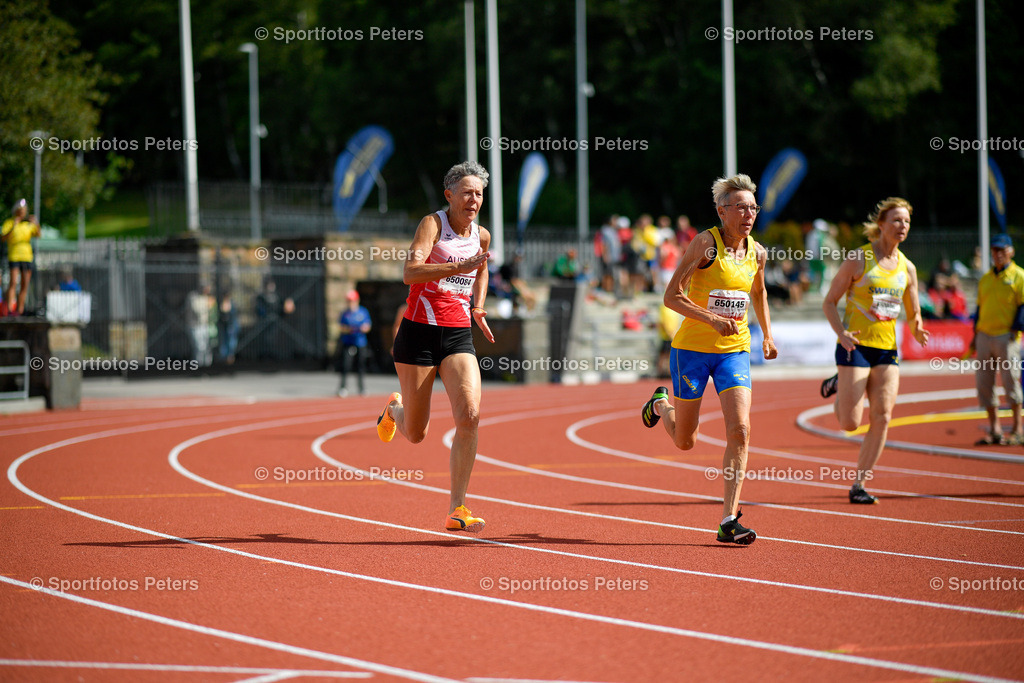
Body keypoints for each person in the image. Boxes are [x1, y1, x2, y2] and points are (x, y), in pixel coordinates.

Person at [640, 174, 777, 545]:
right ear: (722, 211)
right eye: (741, 207)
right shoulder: (706, 244)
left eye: (753, 207)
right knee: (686, 440)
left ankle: (728, 519)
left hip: (734, 351)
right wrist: (713, 319)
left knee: (741, 430)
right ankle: (661, 404)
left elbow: (759, 292)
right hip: (692, 352)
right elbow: (672, 296)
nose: (748, 214)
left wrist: (767, 335)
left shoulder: (758, 252)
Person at [376, 161, 495, 533]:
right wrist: (456, 266)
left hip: (457, 334)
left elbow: (483, 268)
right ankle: (394, 410)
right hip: (419, 333)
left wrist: (477, 305)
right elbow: (410, 272)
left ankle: (456, 508)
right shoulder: (433, 225)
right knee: (417, 432)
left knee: (470, 415)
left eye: (479, 193)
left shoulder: (483, 235)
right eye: (467, 192)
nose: (473, 199)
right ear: (449, 195)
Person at [819, 197, 929, 503]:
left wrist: (918, 326)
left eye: (906, 221)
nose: (902, 226)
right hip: (855, 345)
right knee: (849, 423)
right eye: (896, 220)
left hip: (886, 351)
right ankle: (840, 385)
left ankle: (859, 484)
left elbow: (913, 308)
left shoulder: (908, 267)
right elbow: (829, 302)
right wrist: (841, 333)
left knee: (882, 416)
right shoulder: (859, 259)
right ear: (881, 224)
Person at [967, 233, 1024, 445]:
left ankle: (1018, 429)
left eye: (1001, 250)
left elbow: (1023, 305)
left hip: (1006, 336)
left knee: (1011, 382)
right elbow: (980, 308)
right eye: (994, 250)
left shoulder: (1019, 276)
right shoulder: (985, 278)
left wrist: (1016, 329)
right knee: (984, 384)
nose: (997, 254)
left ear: (1011, 251)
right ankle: (995, 429)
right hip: (984, 336)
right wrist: (975, 334)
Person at [1, 199, 41, 316]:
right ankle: (9, 308)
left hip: (27, 256)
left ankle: (20, 309)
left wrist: (36, 223)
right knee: (13, 282)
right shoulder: (9, 222)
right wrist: (14, 226)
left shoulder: (28, 224)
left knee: (25, 283)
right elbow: (3, 237)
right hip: (14, 255)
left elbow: (38, 235)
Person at [337, 290, 372, 397]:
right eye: (349, 301)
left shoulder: (363, 312)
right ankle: (343, 387)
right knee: (346, 365)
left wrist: (363, 328)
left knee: (361, 365)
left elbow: (368, 326)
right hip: (348, 342)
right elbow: (341, 327)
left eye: (352, 301)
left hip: (360, 342)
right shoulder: (345, 314)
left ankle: (361, 388)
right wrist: (350, 330)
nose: (350, 303)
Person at [218, 294, 240, 364]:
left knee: (231, 343)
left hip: (231, 327)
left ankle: (230, 357)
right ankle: (224, 358)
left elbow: (234, 316)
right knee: (224, 343)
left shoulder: (232, 304)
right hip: (224, 327)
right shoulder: (220, 304)